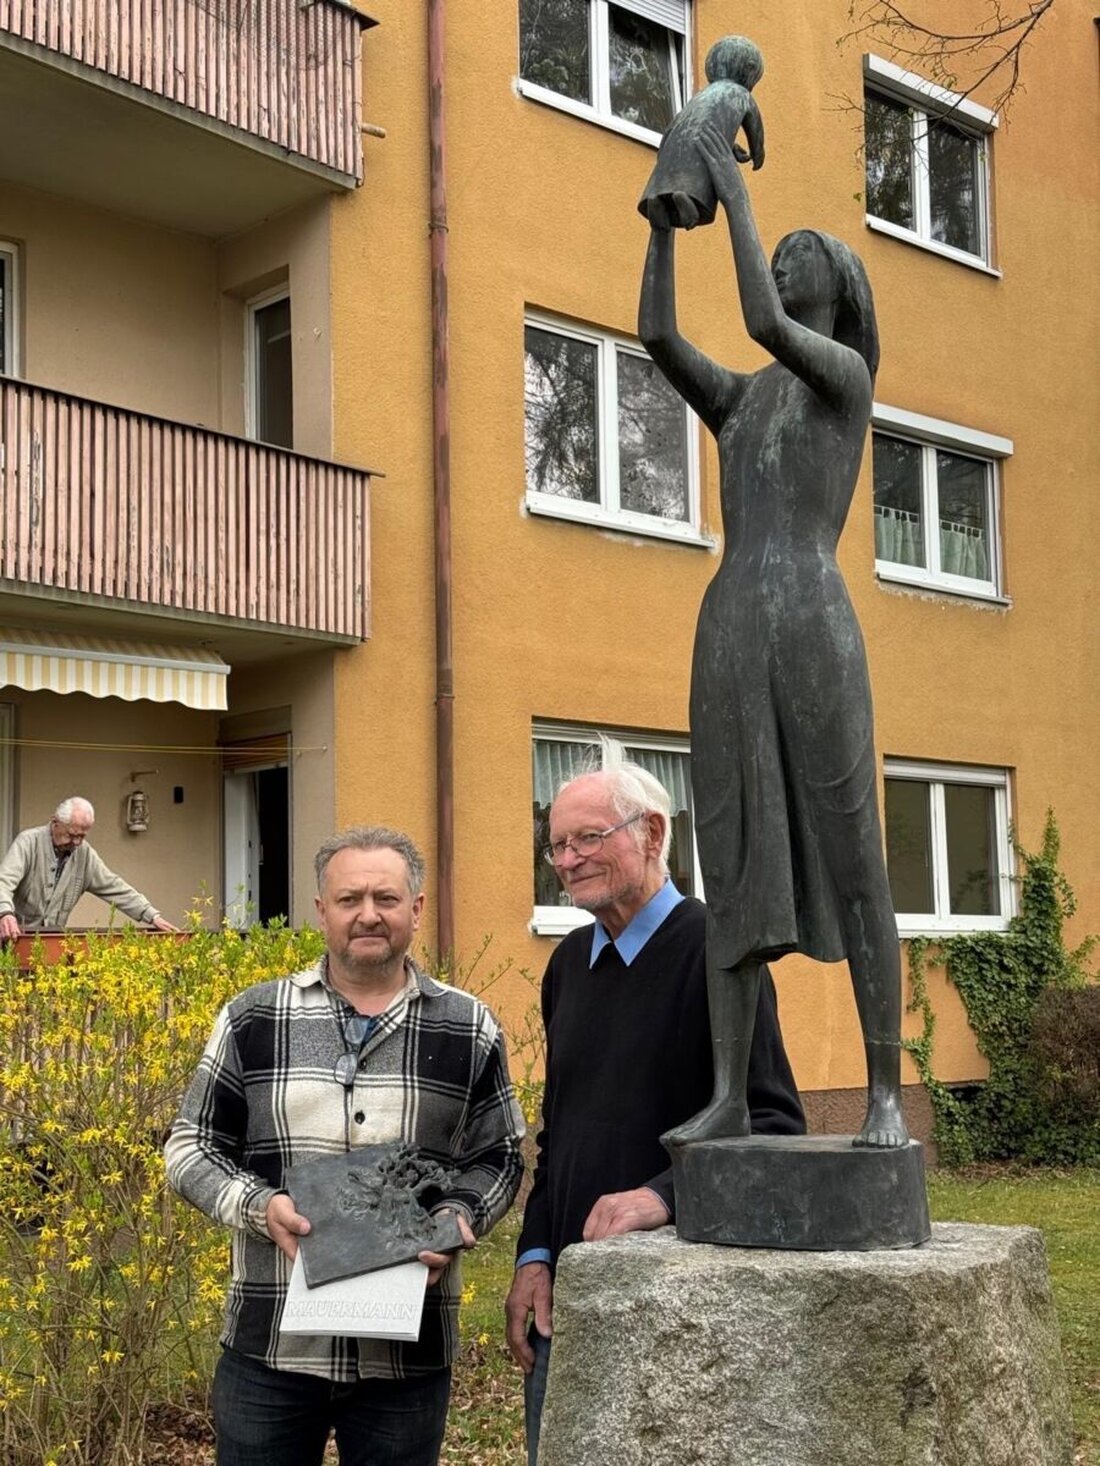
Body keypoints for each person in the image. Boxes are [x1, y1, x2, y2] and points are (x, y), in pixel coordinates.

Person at [638, 124, 908, 1152]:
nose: (784, 255)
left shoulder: (839, 375)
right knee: (732, 856)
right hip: (730, 620)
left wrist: (731, 186)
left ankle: (882, 1092)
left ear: (835, 282)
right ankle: (727, 1095)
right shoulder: (746, 402)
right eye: (775, 243)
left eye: (801, 249)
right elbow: (658, 337)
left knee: (853, 852)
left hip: (810, 618)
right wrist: (665, 215)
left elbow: (755, 315)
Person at [165, 826, 525, 1466]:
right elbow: (191, 1148)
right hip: (269, 1344)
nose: (368, 915)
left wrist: (459, 1215)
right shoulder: (254, 1018)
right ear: (320, 910)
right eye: (349, 898)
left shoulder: (468, 1026)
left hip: (406, 1360)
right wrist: (258, 1206)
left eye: (386, 899)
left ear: (415, 909)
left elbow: (499, 1156)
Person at [505, 755, 805, 1465]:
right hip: (570, 1301)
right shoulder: (568, 964)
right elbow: (561, 1135)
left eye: (588, 838)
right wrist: (535, 1254)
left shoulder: (722, 955)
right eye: (557, 845)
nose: (569, 861)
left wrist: (661, 1196)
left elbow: (774, 1126)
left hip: (679, 1303)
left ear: (652, 832)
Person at [0, 796, 178, 938]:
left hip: (50, 945)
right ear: (55, 823)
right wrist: (5, 913)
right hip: (11, 939)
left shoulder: (84, 855)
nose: (76, 842)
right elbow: (3, 882)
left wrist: (151, 915)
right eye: (71, 835)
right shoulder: (29, 842)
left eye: (82, 836)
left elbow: (115, 887)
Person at [638, 35, 765, 232]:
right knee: (695, 182)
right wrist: (758, 153)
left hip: (672, 152)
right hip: (700, 153)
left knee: (665, 186)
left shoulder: (699, 97)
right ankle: (688, 204)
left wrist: (663, 151)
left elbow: (675, 126)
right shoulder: (741, 94)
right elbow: (754, 125)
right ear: (749, 69)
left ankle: (657, 203)